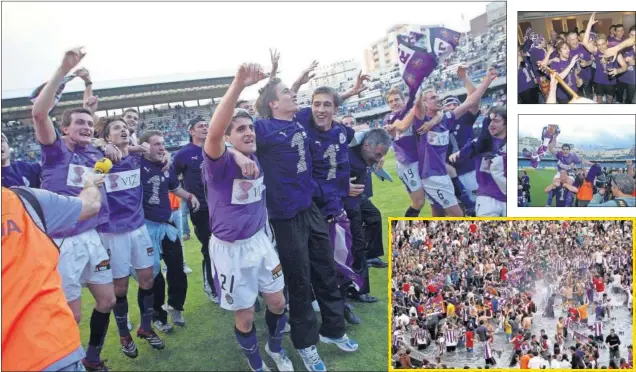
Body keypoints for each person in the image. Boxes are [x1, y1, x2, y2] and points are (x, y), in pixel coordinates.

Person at [254, 63, 358, 371]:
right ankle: (305, 345)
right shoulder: (263, 128)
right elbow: (228, 139)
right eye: (287, 92)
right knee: (299, 282)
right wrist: (234, 153)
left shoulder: (299, 119)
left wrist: (347, 93)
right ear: (273, 103)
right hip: (285, 217)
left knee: (325, 271)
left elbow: (325, 110)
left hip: (310, 209)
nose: (293, 94)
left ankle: (334, 330)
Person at [203, 63, 293, 372]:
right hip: (230, 250)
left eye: (250, 127)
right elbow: (214, 134)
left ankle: (275, 346)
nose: (249, 132)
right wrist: (238, 83)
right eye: (240, 129)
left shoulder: (258, 156)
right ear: (228, 138)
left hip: (260, 241)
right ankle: (256, 364)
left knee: (278, 302)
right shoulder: (218, 165)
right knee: (243, 315)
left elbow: (281, 113)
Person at [31, 47, 115, 371]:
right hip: (62, 241)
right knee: (73, 314)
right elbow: (40, 113)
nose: (85, 126)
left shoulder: (93, 157)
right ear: (64, 128)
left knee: (106, 301)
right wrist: (64, 70)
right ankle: (72, 363)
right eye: (78, 122)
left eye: (89, 123)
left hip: (91, 237)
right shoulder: (54, 152)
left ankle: (92, 358)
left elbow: (107, 163)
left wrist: (109, 152)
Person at [1, 175, 104, 372]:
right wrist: (90, 182)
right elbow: (90, 204)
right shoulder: (25, 200)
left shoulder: (25, 200)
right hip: (51, 349)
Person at [97, 117, 166, 355]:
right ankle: (124, 336)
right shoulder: (102, 160)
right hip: (113, 232)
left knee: (148, 279)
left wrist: (162, 155)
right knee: (120, 287)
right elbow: (83, 145)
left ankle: (145, 328)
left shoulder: (137, 159)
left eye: (125, 128)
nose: (123, 130)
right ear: (107, 137)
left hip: (138, 228)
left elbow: (158, 153)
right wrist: (100, 145)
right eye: (117, 128)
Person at [138, 130, 195, 333]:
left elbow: (174, 188)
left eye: (162, 144)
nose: (162, 147)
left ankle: (175, 307)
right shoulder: (136, 164)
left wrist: (190, 196)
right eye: (156, 144)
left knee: (178, 270)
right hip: (145, 228)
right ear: (144, 147)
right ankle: (159, 318)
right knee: (154, 277)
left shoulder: (166, 166)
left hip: (168, 225)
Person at [173, 116, 218, 302]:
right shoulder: (183, 154)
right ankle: (212, 288)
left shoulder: (216, 147)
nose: (205, 128)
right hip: (201, 208)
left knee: (226, 246)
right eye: (200, 126)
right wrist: (189, 196)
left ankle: (227, 284)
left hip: (222, 207)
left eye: (207, 125)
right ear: (191, 131)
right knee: (209, 248)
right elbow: (172, 180)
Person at [582, 13, 628, 104]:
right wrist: (589, 25)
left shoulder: (615, 51)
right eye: (598, 45)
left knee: (610, 99)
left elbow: (625, 66)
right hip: (598, 80)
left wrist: (617, 71)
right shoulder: (596, 51)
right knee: (599, 99)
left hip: (610, 81)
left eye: (603, 44)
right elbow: (585, 43)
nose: (601, 47)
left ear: (607, 42)